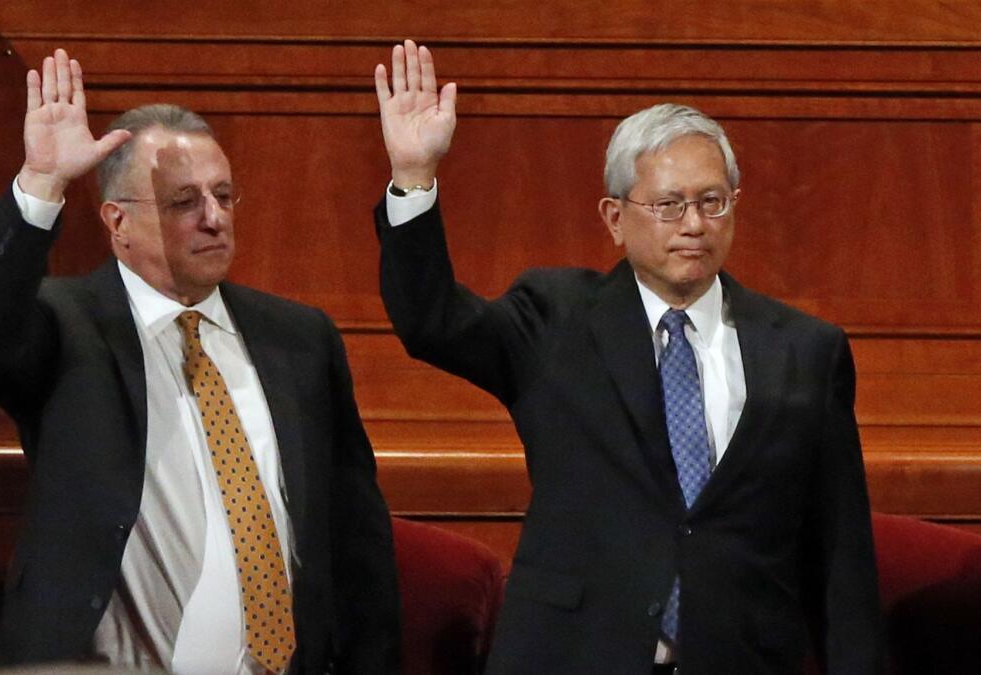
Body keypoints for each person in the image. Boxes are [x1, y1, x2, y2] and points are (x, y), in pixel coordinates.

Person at [372, 40, 882, 674]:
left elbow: (840, 552)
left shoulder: (806, 349)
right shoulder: (554, 319)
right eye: (668, 205)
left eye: (712, 201)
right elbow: (432, 321)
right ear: (615, 218)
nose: (693, 223)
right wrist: (415, 177)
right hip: (574, 655)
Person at [0, 48, 400, 674]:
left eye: (224, 195)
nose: (214, 219)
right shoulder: (66, 328)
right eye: (185, 201)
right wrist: (43, 183)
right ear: (118, 221)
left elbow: (357, 543)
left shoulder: (299, 337)